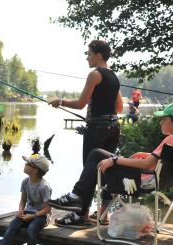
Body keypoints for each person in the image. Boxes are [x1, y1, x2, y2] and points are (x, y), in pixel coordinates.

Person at [48, 102, 173, 226]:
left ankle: (76, 198)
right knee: (102, 165)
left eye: (164, 119)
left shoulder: (170, 139)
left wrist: (115, 160)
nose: (161, 122)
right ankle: (100, 214)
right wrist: (141, 155)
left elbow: (146, 165)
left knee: (96, 155)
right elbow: (160, 159)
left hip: (143, 181)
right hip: (160, 180)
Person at [48, 40, 123, 227]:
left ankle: (80, 216)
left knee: (89, 170)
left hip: (97, 129)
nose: (87, 58)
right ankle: (102, 214)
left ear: (98, 55)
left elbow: (81, 104)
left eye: (89, 54)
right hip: (113, 127)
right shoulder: (114, 77)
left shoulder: (95, 74)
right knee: (103, 169)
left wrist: (61, 101)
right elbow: (119, 108)